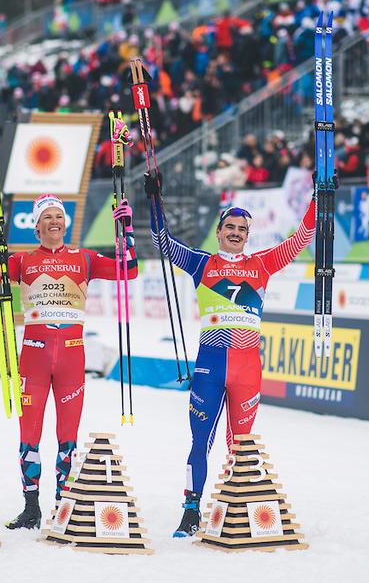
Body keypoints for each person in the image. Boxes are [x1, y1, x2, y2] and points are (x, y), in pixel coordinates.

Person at [144, 171, 316, 537]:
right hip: (210, 366)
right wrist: (154, 200)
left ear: (248, 235)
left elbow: (303, 237)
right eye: (230, 227)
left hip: (248, 369)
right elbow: (162, 241)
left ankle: (234, 511)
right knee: (199, 442)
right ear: (219, 231)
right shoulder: (202, 263)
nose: (236, 232)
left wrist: (318, 197)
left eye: (242, 228)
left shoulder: (263, 264)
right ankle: (191, 512)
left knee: (242, 446)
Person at [0, 194, 137, 530]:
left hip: (72, 357)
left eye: (58, 217)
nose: (54, 222)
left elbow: (128, 270)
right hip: (33, 356)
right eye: (46, 217)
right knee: (29, 434)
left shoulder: (84, 258)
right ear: (36, 226)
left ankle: (63, 506)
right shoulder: (22, 260)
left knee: (68, 435)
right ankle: (31, 507)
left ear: (65, 222)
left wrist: (126, 233)